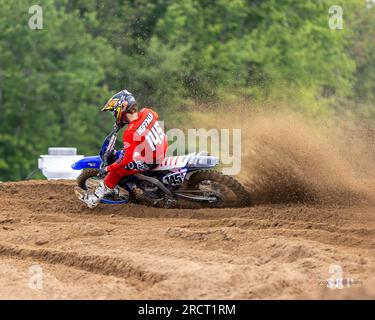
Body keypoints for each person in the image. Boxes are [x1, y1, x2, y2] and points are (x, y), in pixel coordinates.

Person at [77, 89, 168, 208]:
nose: (114, 114)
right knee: (123, 156)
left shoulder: (130, 132)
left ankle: (93, 199)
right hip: (161, 148)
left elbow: (125, 160)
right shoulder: (147, 112)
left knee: (116, 171)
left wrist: (108, 168)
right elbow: (155, 116)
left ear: (122, 109)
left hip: (151, 160)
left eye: (115, 111)